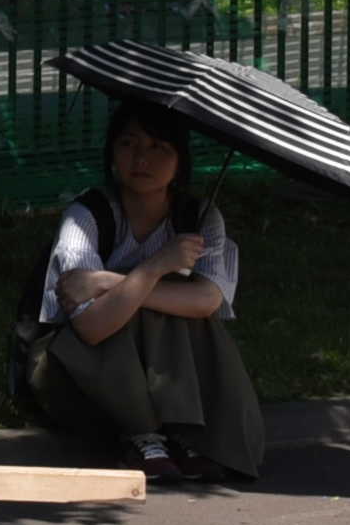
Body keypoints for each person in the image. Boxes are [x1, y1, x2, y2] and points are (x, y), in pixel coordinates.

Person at [17, 101, 265, 485]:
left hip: (161, 363)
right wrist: (153, 268)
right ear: (112, 152)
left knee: (176, 306)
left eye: (158, 147)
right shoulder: (87, 216)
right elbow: (91, 327)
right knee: (137, 304)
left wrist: (107, 281)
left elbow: (207, 302)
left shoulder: (198, 219)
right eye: (128, 144)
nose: (141, 159)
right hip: (76, 372)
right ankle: (141, 434)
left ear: (180, 160)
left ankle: (184, 433)